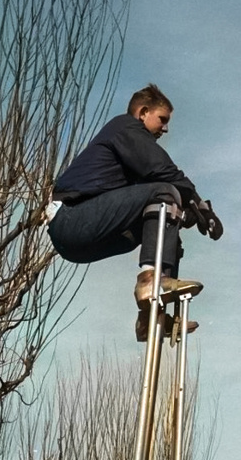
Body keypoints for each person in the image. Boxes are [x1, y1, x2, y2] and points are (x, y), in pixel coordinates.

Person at [48, 84, 221, 342]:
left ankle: (151, 316)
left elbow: (151, 200)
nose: (165, 128)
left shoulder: (128, 155)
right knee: (164, 192)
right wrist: (198, 203)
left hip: (78, 237)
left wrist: (185, 213)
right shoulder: (125, 128)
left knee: (166, 220)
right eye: (162, 119)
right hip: (72, 217)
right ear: (142, 113)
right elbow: (162, 169)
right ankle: (150, 281)